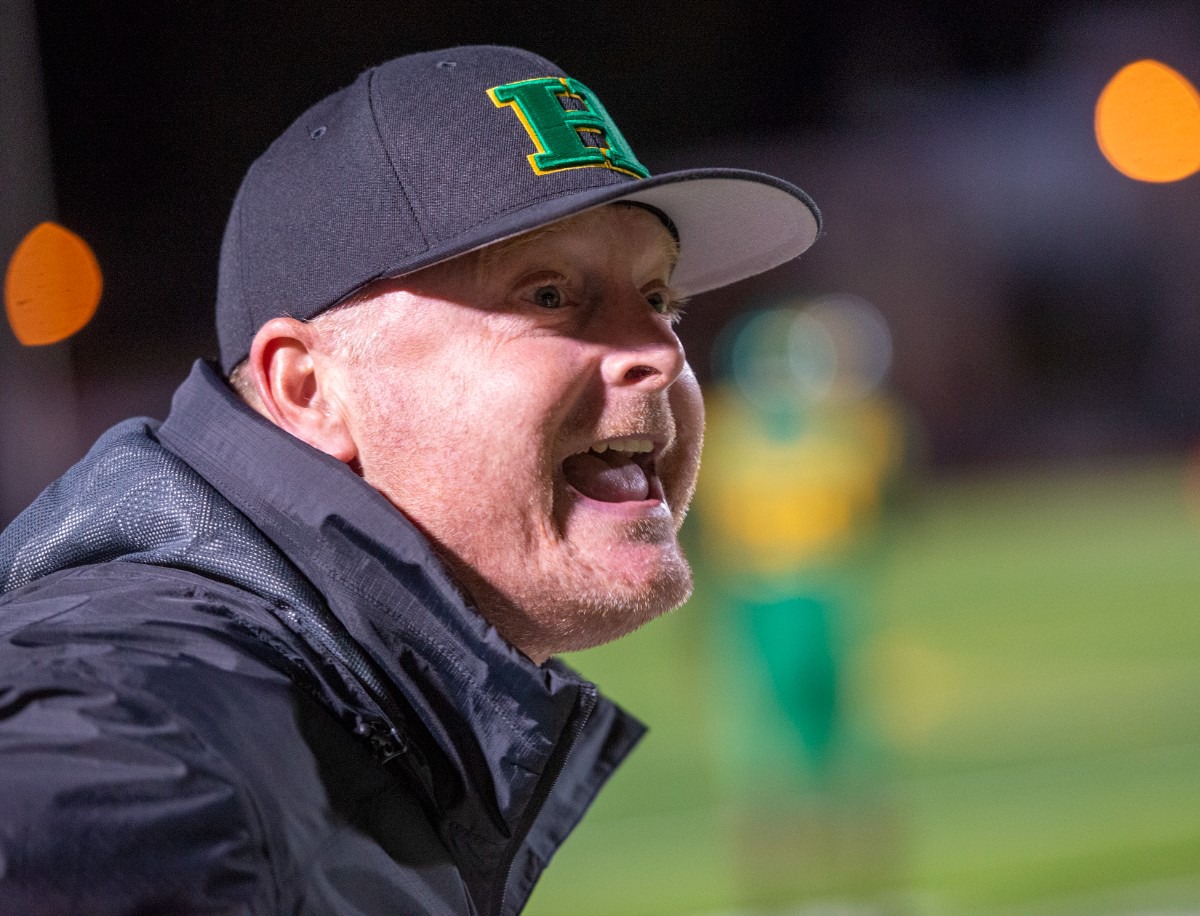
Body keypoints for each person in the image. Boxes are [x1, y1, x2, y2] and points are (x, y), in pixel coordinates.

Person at [0, 45, 820, 914]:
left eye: (659, 300)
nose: (658, 353)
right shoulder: (138, 736)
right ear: (308, 390)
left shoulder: (338, 704)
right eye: (548, 295)